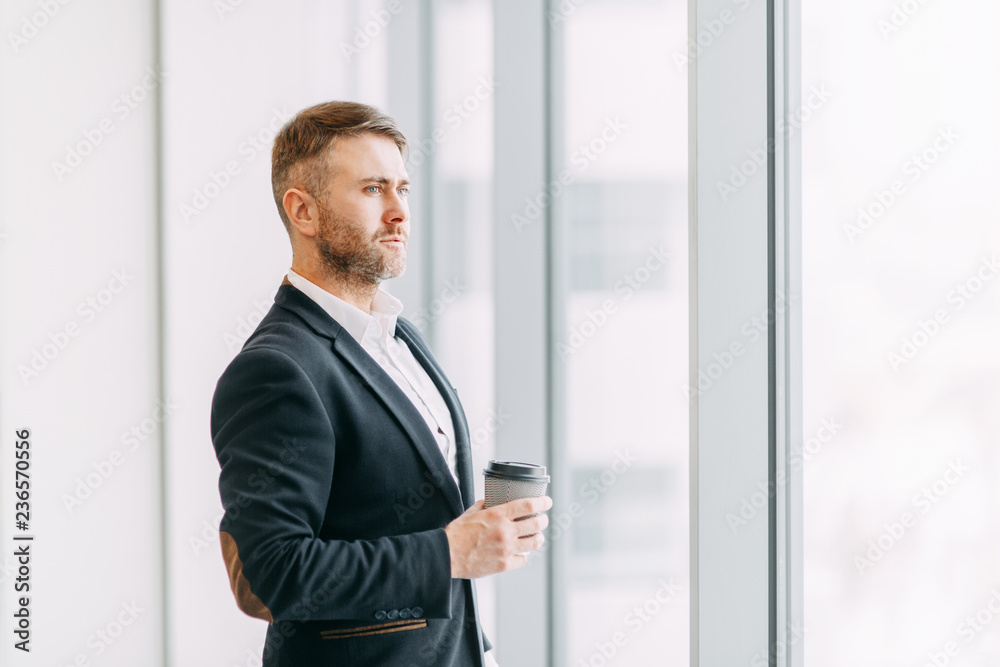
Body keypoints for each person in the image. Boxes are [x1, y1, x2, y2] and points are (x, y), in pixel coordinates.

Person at [209, 100, 550, 666]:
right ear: (304, 211)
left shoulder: (399, 336)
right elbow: (274, 573)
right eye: (372, 189)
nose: (399, 212)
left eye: (403, 189)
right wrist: (448, 553)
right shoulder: (275, 371)